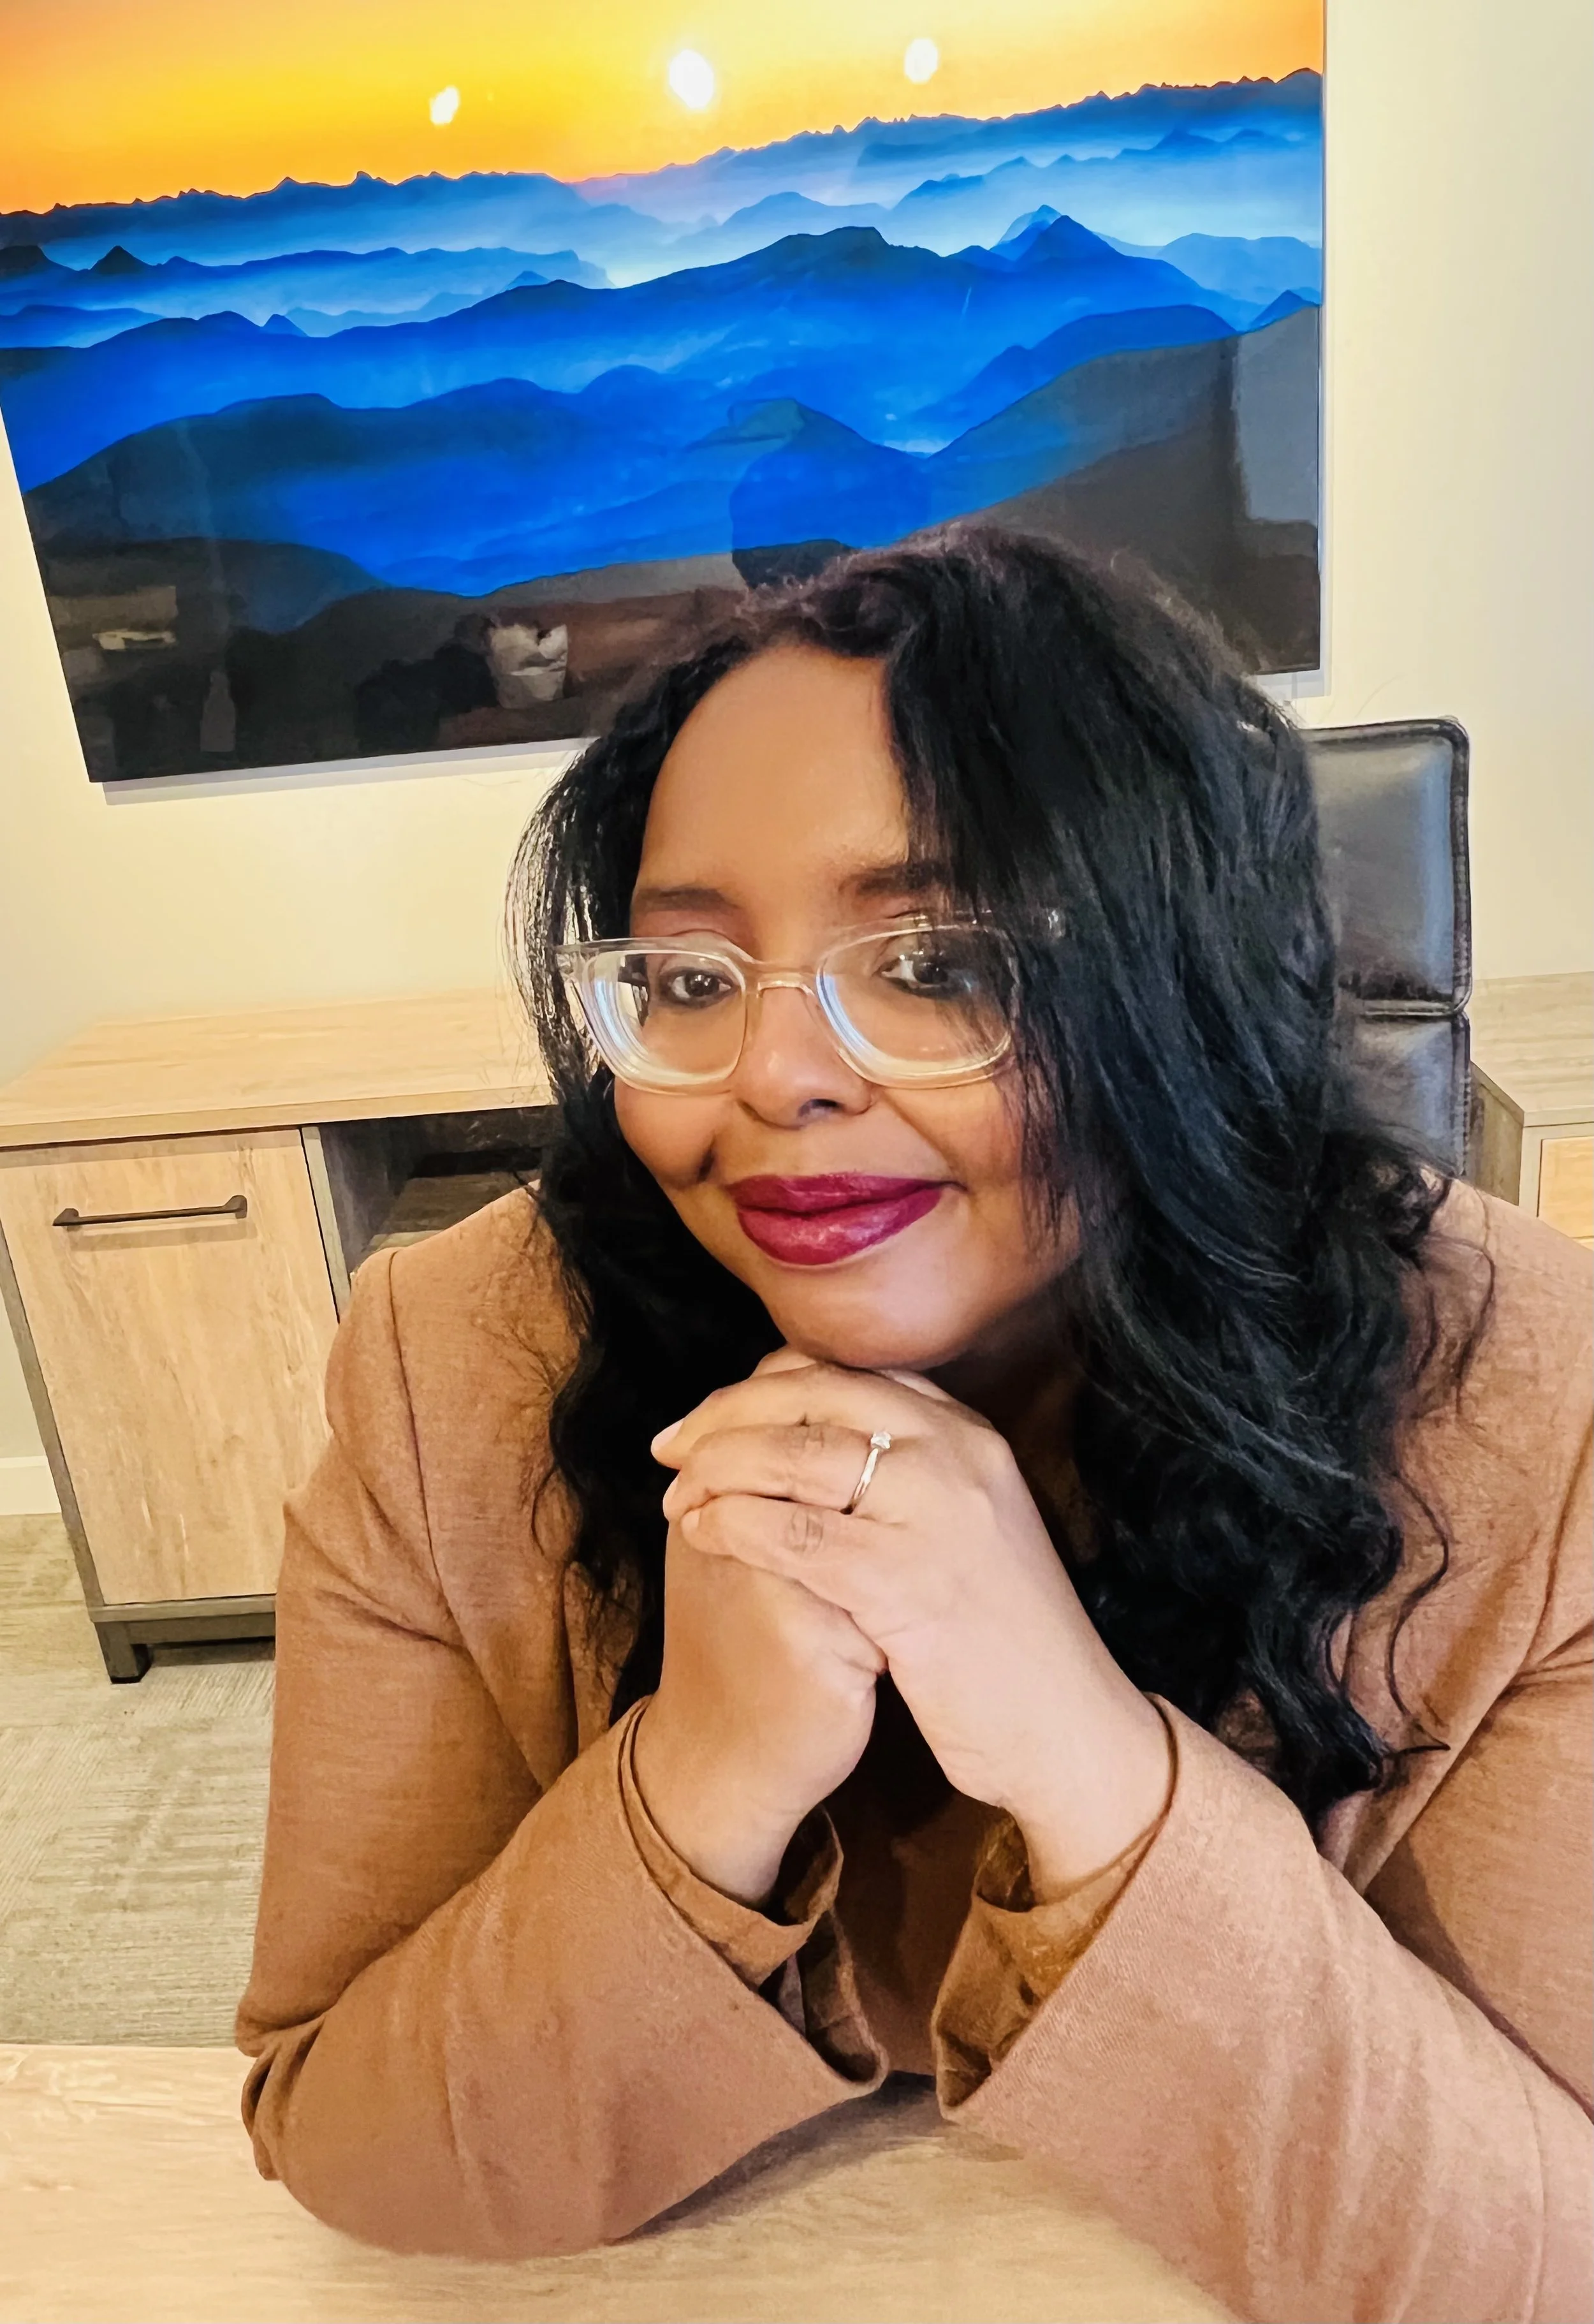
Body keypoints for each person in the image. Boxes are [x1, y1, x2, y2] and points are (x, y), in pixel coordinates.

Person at [237, 530, 1591, 2322]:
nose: (778, 1076)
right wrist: (701, 1766)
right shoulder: (460, 1361)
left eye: (938, 963)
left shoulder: (1523, 1399)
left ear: (1174, 990)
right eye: (693, 979)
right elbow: (349, 2136)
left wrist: (1084, 1753)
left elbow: (1535, 2256)